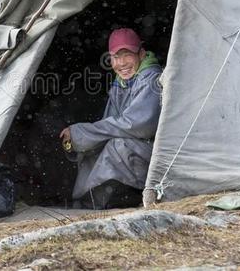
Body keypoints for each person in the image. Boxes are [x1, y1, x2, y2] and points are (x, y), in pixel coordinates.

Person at [59, 28, 162, 209]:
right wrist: (83, 139)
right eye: (115, 57)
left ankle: (94, 204)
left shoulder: (151, 78)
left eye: (127, 55)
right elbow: (110, 124)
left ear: (142, 53)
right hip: (139, 148)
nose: (121, 63)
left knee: (117, 146)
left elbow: (137, 126)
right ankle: (82, 202)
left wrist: (82, 132)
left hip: (156, 152)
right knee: (92, 150)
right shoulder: (120, 83)